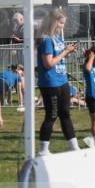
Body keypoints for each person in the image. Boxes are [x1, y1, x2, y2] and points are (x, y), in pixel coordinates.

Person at [36, 8, 80, 155]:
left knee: (65, 114)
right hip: (50, 83)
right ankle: (43, 150)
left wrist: (67, 52)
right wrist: (65, 52)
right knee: (52, 115)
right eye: (61, 23)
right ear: (54, 22)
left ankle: (74, 147)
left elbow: (58, 58)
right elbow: (48, 63)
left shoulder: (57, 38)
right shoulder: (46, 40)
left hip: (62, 81)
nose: (63, 26)